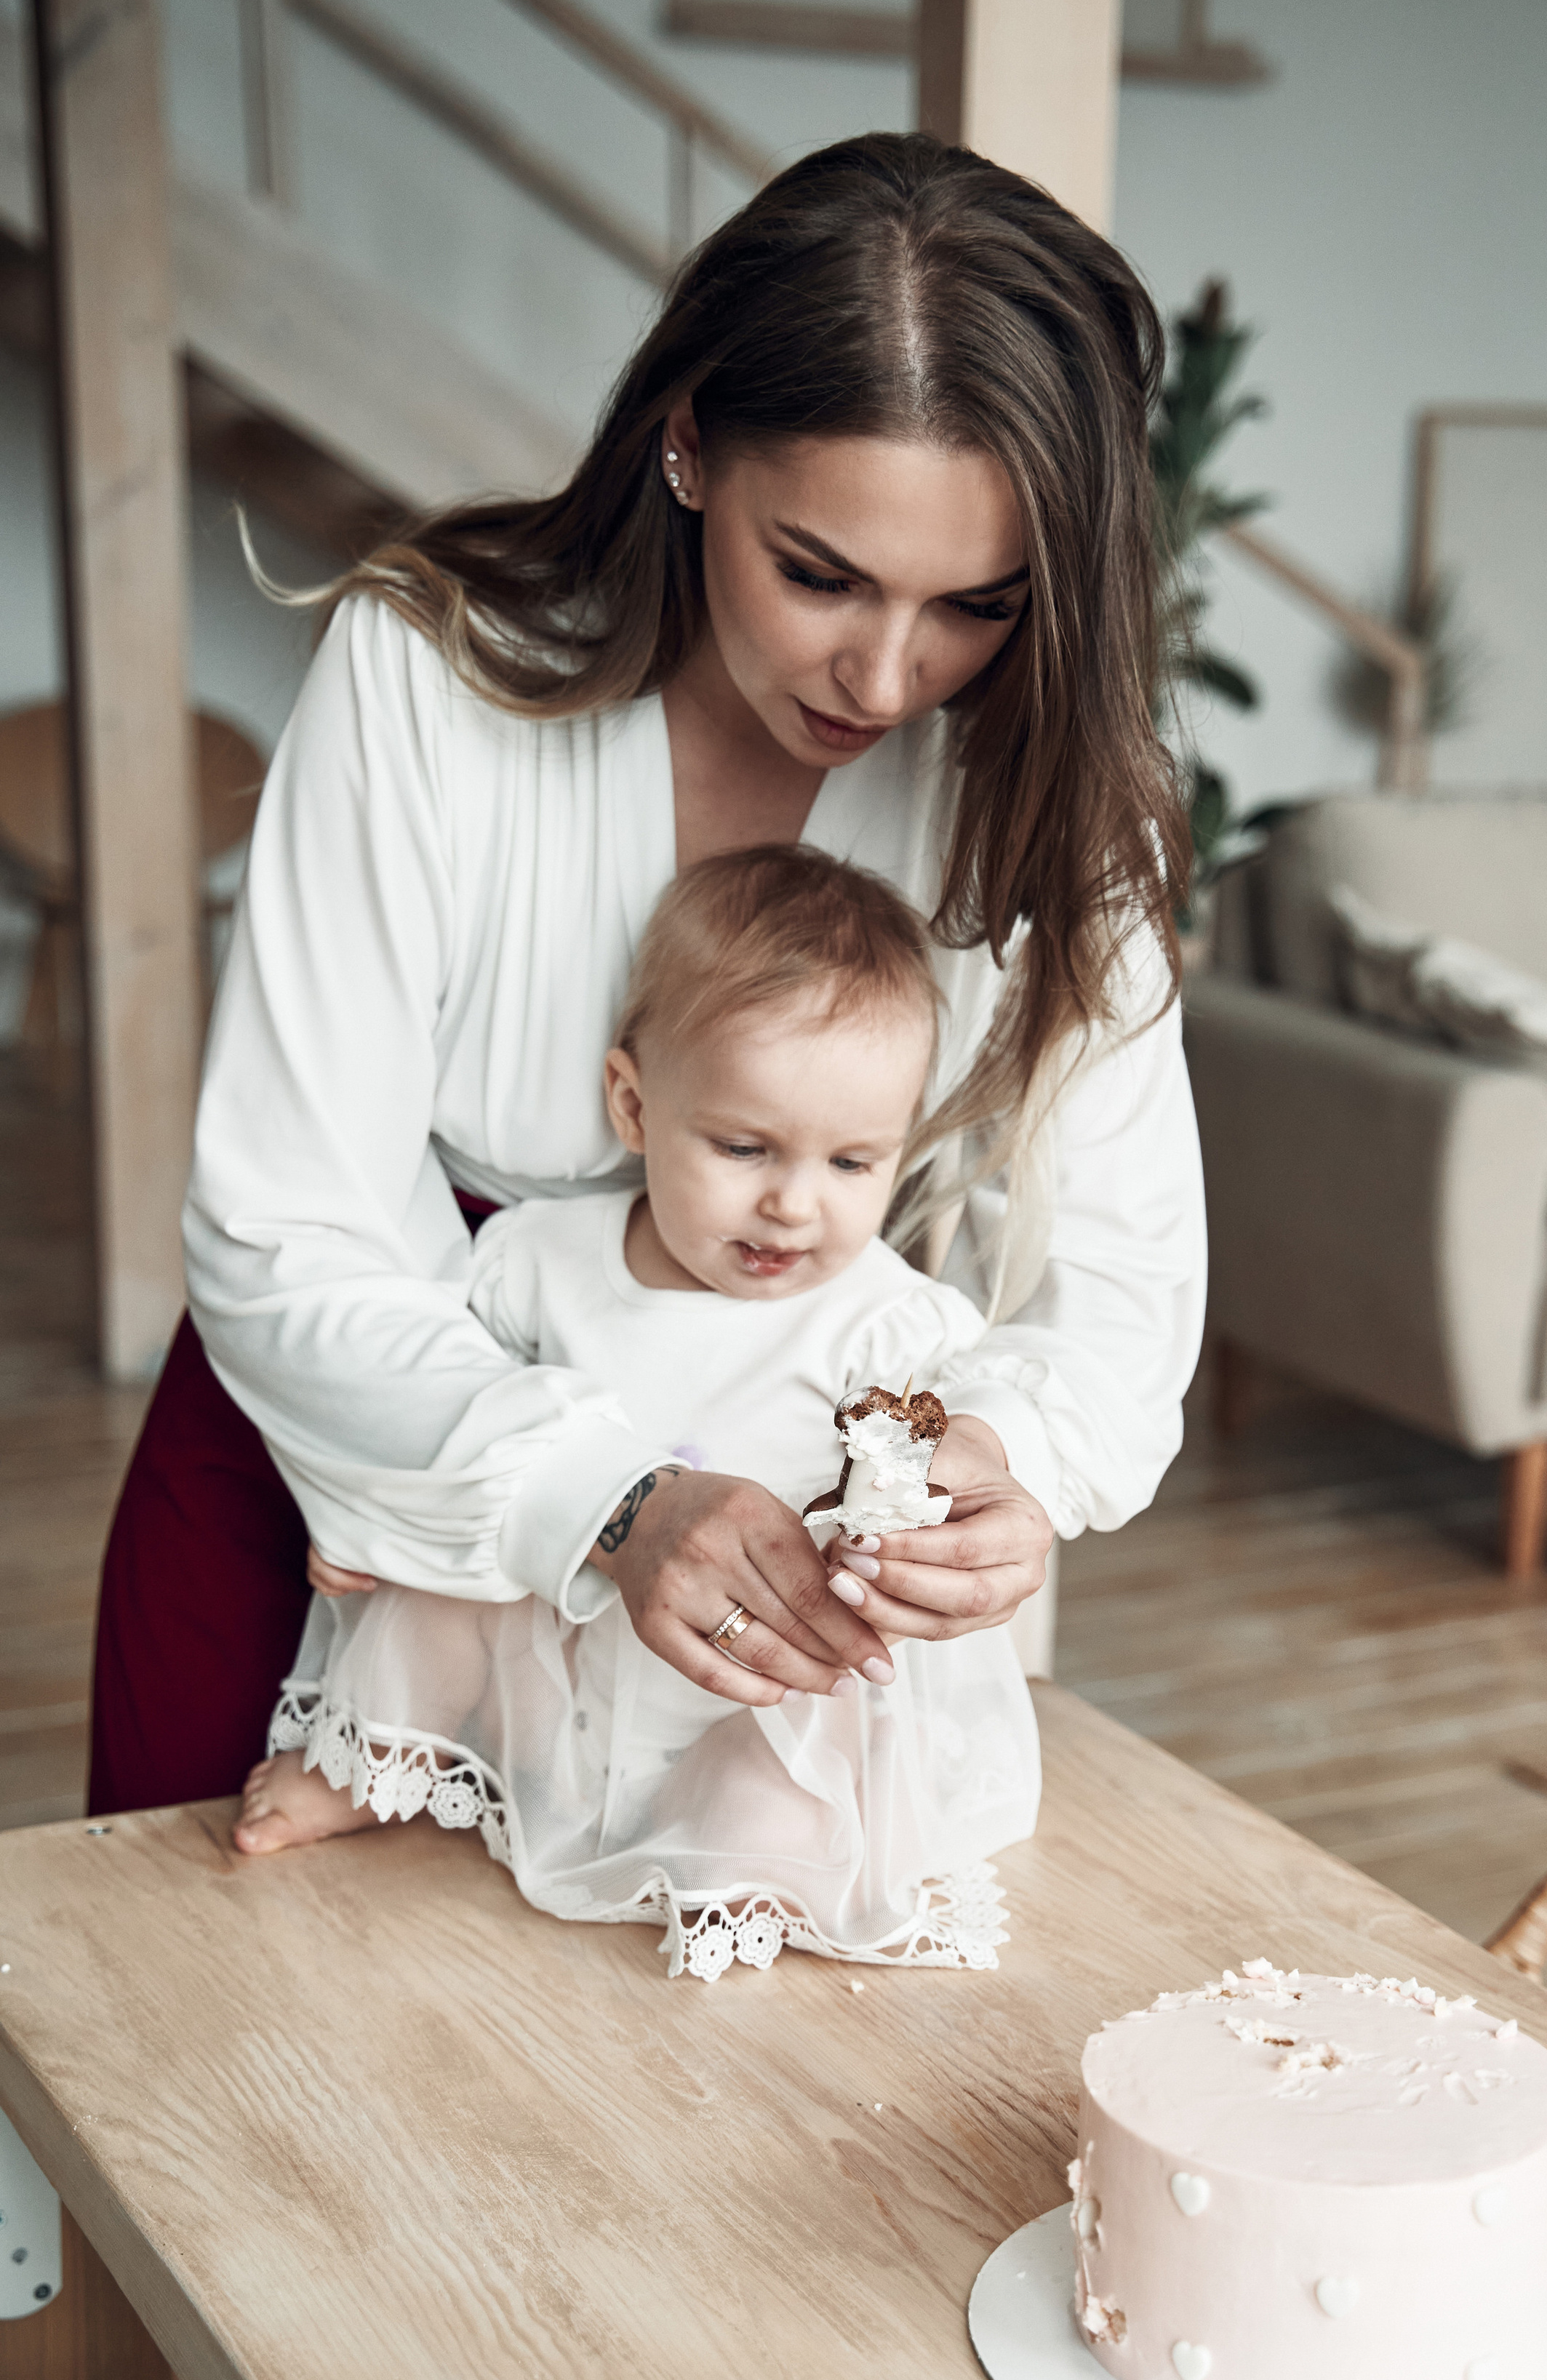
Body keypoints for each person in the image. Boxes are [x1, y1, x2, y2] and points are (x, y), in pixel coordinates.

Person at [88, 130, 1205, 1817]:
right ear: (686, 444)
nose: (882, 678)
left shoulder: (1048, 786)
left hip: (767, 1561)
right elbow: (287, 1219)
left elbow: (1118, 1276)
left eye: (974, 605)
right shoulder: (431, 673)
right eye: (817, 575)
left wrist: (1009, 1454)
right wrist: (600, 1498)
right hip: (359, 1443)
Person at [232, 847, 1036, 1979]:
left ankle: (733, 1867)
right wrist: (386, 1512)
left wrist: (903, 1531)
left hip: (758, 1686)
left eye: (854, 1162)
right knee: (436, 1589)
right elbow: (445, 1412)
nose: (793, 1203)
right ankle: (381, 1765)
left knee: (777, 1807)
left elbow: (933, 1480)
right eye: (744, 1148)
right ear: (635, 1105)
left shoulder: (890, 1326)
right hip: (561, 1657)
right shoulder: (537, 1261)